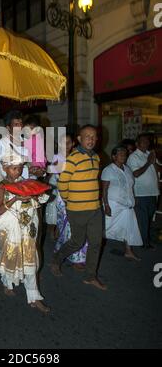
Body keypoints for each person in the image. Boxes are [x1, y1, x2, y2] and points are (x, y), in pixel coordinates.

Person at [51, 125, 107, 291]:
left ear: (97, 139)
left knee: (96, 243)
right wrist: (70, 202)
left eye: (93, 136)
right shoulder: (72, 159)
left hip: (95, 209)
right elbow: (62, 184)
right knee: (77, 242)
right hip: (77, 210)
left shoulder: (96, 157)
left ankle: (90, 276)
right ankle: (56, 258)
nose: (90, 139)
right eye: (86, 136)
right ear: (80, 140)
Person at [0, 154, 50, 313]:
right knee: (9, 256)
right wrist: (15, 199)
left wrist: (35, 196)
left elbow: (35, 203)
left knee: (30, 261)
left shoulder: (26, 183)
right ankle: (7, 282)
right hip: (10, 229)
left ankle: (34, 297)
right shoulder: (2, 186)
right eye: (14, 168)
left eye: (20, 168)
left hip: (27, 229)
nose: (18, 171)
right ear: (5, 168)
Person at [52, 133, 88, 269]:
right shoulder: (56, 159)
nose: (65, 146)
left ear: (73, 143)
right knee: (66, 226)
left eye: (68, 142)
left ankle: (78, 257)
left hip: (78, 194)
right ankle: (65, 252)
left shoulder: (78, 156)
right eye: (63, 143)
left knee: (78, 225)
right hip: (63, 195)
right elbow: (57, 177)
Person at [102, 146, 143, 261]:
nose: (123, 156)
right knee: (106, 228)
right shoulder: (108, 170)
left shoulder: (127, 169)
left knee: (128, 227)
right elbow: (104, 190)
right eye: (120, 154)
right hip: (113, 204)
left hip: (126, 205)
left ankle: (128, 251)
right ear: (114, 156)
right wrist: (106, 205)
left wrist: (133, 198)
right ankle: (94, 248)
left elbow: (130, 186)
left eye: (124, 154)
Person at [127, 134, 159, 249]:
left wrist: (153, 161)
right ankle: (144, 243)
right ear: (137, 144)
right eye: (143, 141)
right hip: (141, 193)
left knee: (149, 218)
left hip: (152, 192)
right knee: (143, 220)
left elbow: (159, 170)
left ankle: (145, 240)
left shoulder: (149, 155)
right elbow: (135, 174)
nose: (146, 143)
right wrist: (148, 163)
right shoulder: (133, 157)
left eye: (147, 141)